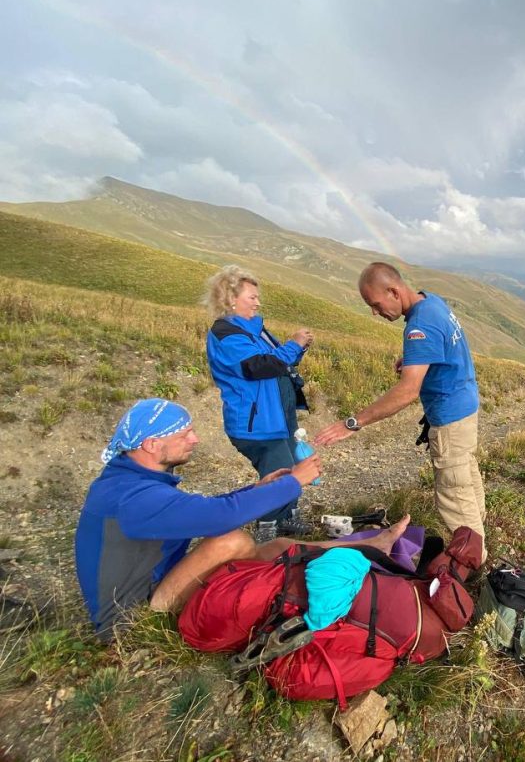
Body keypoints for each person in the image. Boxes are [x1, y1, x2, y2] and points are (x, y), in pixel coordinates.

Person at [74, 398, 410, 640]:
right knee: (232, 541)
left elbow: (200, 511)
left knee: (275, 544)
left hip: (158, 586)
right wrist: (295, 481)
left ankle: (369, 545)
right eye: (184, 435)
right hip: (132, 620)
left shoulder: (132, 483)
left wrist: (258, 488)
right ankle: (266, 595)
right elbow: (219, 518)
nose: (195, 440)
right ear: (151, 444)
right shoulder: (130, 499)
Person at [315, 263, 487, 560]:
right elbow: (444, 343)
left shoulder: (419, 326)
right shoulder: (431, 302)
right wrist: (414, 359)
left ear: (394, 291)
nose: (374, 312)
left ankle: (473, 564)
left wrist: (353, 423)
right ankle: (479, 540)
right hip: (466, 405)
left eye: (375, 304)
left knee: (454, 497)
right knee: (467, 480)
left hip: (450, 418)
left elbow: (407, 392)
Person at [204, 265, 314, 533]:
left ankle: (288, 521)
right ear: (231, 299)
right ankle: (268, 532)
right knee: (279, 477)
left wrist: (297, 351)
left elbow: (278, 364)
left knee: (293, 469)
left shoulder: (254, 330)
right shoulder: (225, 333)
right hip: (257, 424)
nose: (258, 302)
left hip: (277, 418)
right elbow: (258, 366)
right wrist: (293, 344)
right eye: (252, 297)